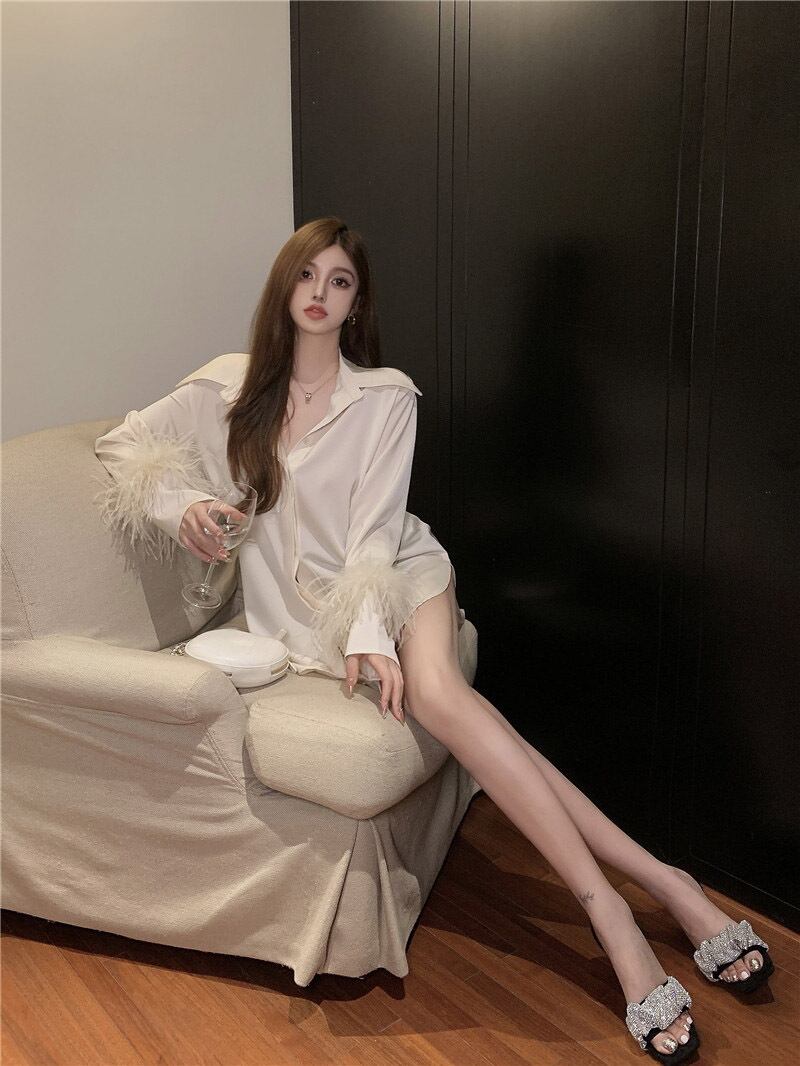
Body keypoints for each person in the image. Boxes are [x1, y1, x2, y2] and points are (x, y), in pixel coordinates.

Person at [94, 216, 774, 1062]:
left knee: (443, 697)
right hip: (302, 619)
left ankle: (612, 921)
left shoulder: (385, 397)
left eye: (340, 280)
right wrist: (185, 506)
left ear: (356, 303)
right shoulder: (224, 389)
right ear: (283, 286)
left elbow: (376, 536)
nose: (319, 292)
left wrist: (370, 633)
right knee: (486, 730)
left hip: (401, 578)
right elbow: (123, 445)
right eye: (306, 274)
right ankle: (668, 882)